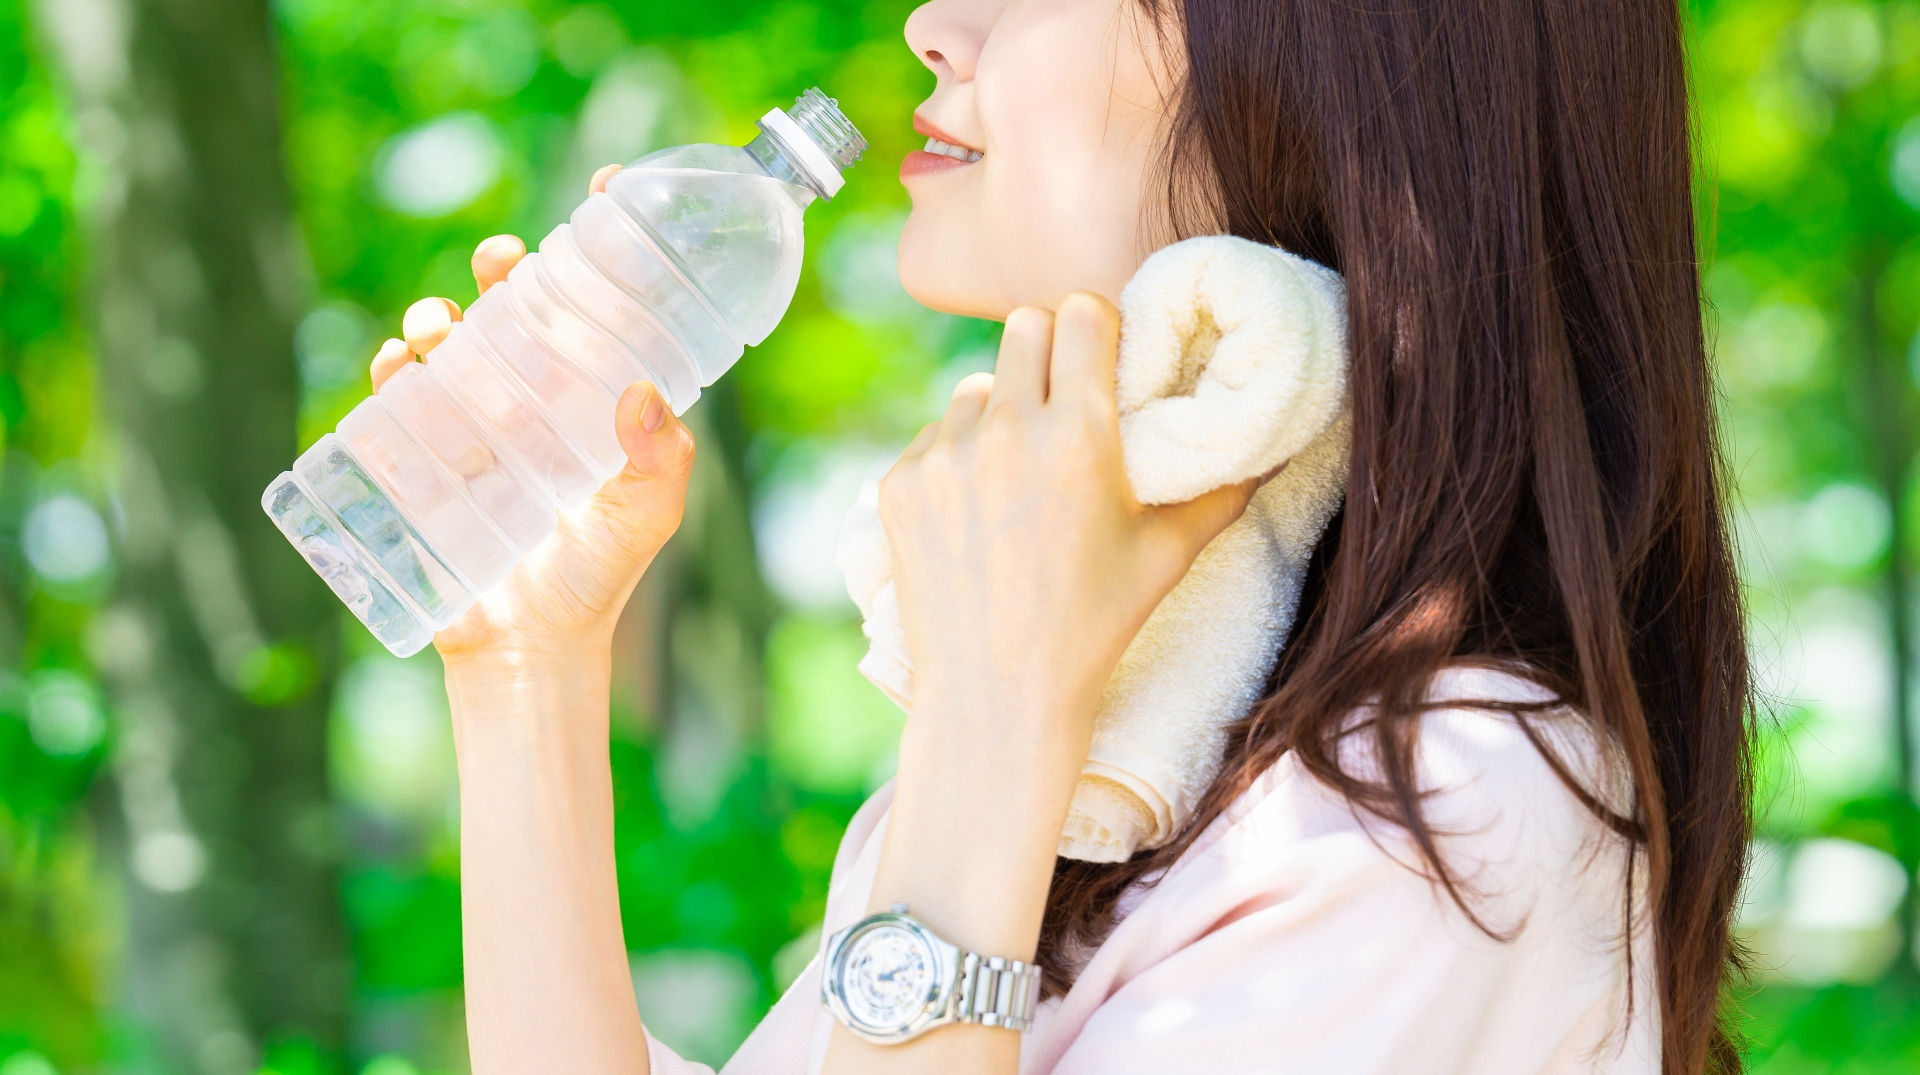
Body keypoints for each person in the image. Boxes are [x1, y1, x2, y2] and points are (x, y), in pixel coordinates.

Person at [370, 0, 1752, 1071]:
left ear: (1338, 63)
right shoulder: (1110, 742)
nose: (930, 24)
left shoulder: (1448, 804)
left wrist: (991, 723)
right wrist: (526, 676)